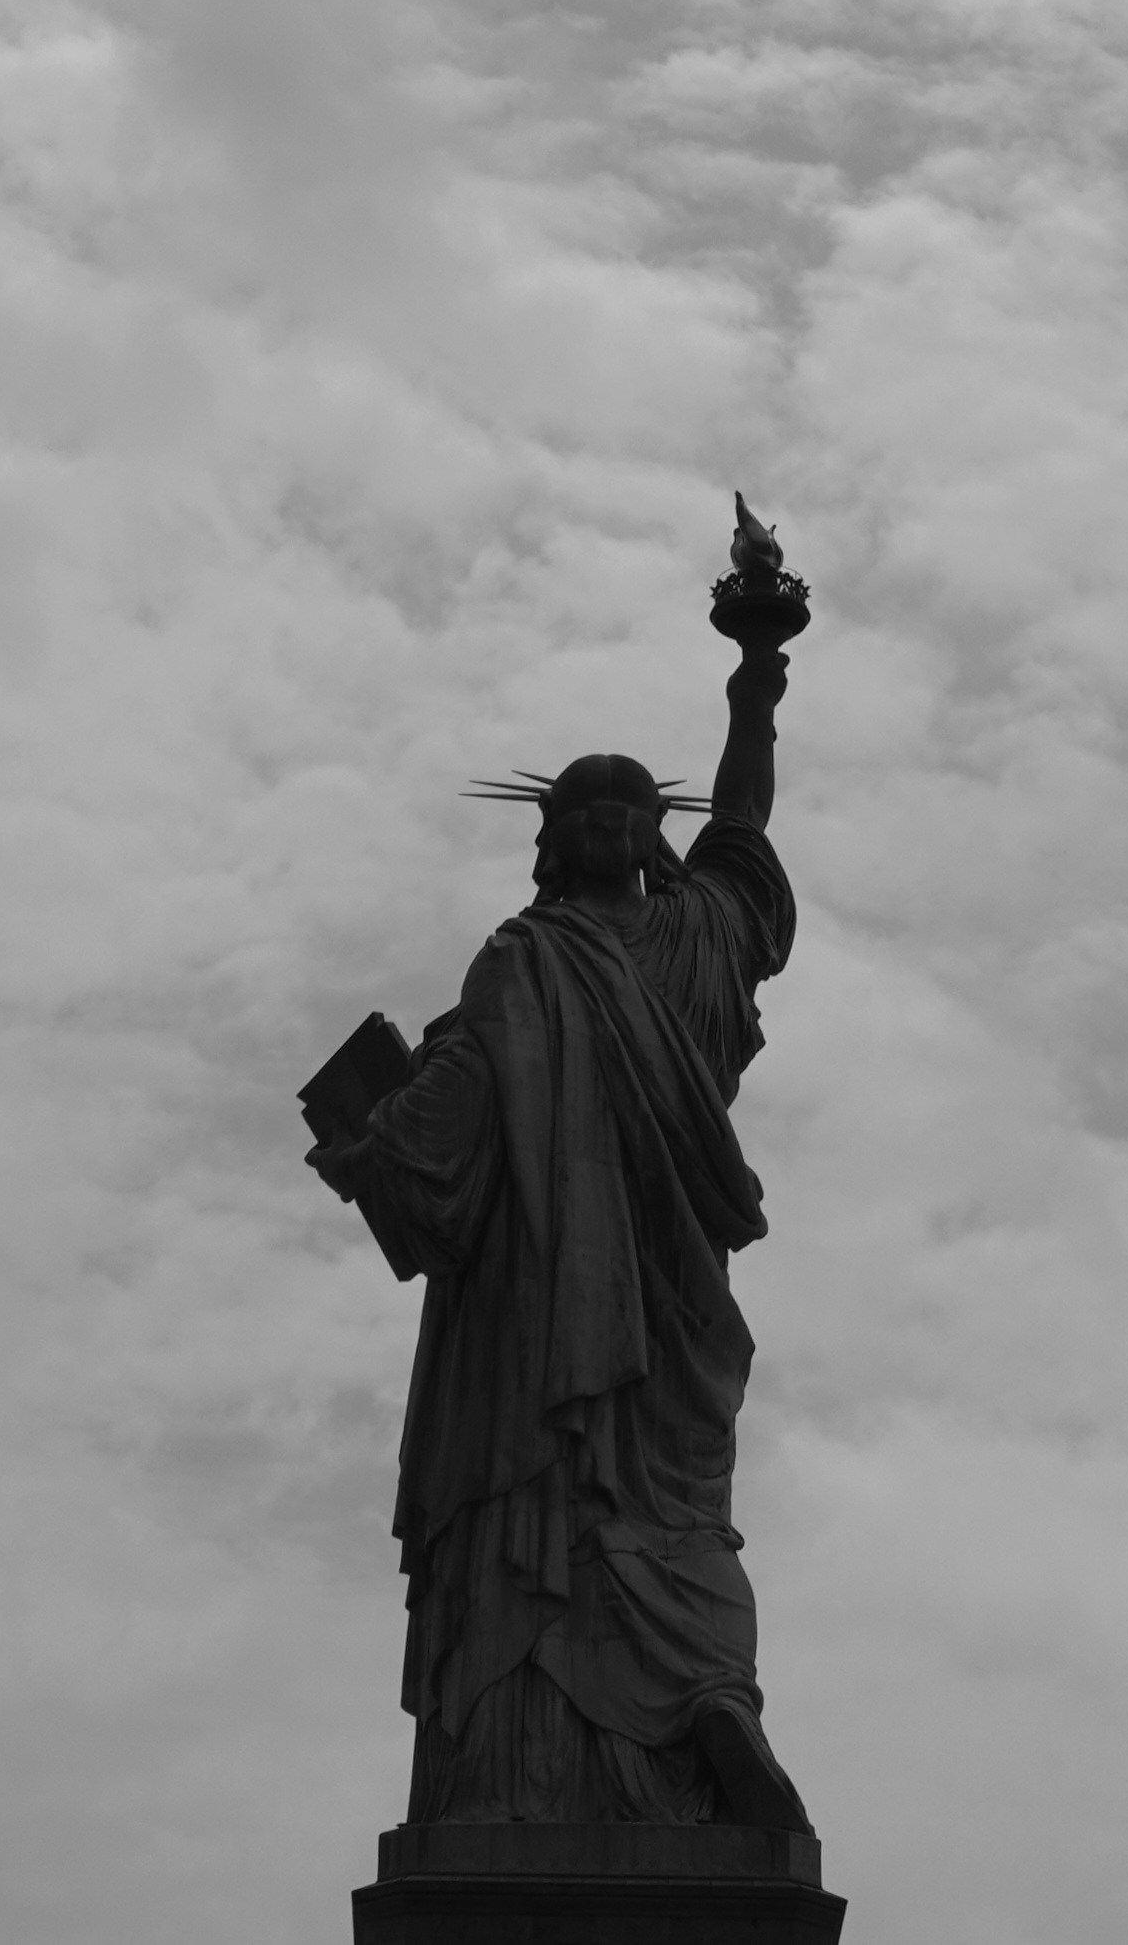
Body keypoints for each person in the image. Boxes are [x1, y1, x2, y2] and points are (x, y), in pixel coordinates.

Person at [311, 551, 813, 1841]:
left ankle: (650, 1726)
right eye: (586, 809)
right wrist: (383, 1142)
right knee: (603, 1507)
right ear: (559, 841)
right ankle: (612, 1739)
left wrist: (756, 680)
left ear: (652, 837)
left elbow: (747, 831)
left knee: (623, 1506)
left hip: (624, 1295)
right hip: (568, 1294)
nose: (604, 822)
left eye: (623, 809)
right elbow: (454, 1115)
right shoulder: (544, 961)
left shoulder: (641, 946)